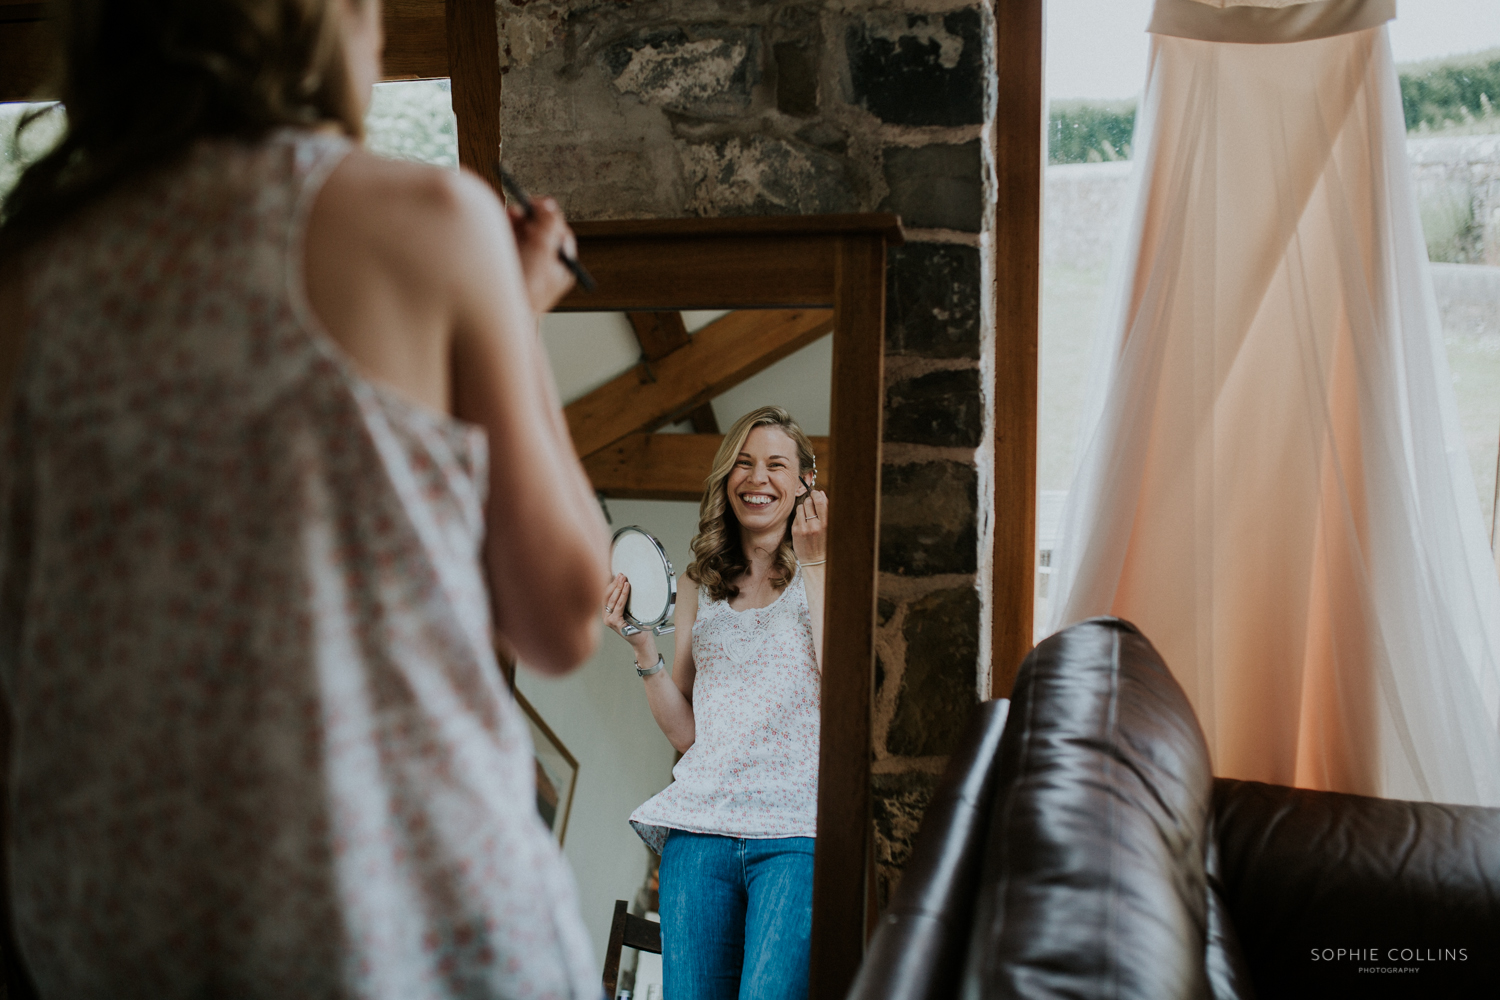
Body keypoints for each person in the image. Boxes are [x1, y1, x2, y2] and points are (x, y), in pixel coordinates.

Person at [0, 0, 611, 995]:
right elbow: (563, 614)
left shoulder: (23, 280)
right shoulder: (428, 221)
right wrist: (509, 308)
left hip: (115, 936)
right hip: (402, 927)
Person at [603, 405, 829, 1000]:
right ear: (726, 479)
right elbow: (688, 734)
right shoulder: (701, 582)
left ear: (806, 480)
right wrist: (640, 644)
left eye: (777, 464)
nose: (758, 478)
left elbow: (846, 687)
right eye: (744, 464)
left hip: (797, 833)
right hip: (699, 834)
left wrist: (814, 561)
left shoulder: (829, 567)